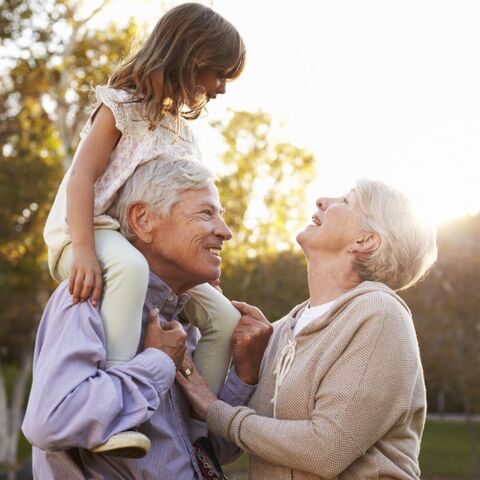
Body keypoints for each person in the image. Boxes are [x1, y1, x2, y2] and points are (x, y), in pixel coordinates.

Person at [43, 2, 245, 455]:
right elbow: (81, 178)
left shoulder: (181, 131)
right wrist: (84, 249)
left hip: (135, 238)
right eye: (220, 74)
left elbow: (183, 203)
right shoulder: (120, 107)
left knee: (223, 316)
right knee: (131, 271)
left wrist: (201, 262)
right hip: (89, 226)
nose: (222, 89)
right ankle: (116, 412)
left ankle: (196, 423)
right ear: (194, 58)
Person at [22, 157, 273, 479]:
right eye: (206, 213)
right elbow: (51, 422)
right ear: (142, 219)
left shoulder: (186, 323)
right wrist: (157, 362)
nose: (225, 232)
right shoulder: (86, 299)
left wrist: (246, 372)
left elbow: (210, 450)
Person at [177, 179, 438, 480]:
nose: (321, 200)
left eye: (346, 200)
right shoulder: (281, 331)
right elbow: (222, 447)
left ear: (365, 241)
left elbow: (326, 450)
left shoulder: (379, 315)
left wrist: (212, 408)